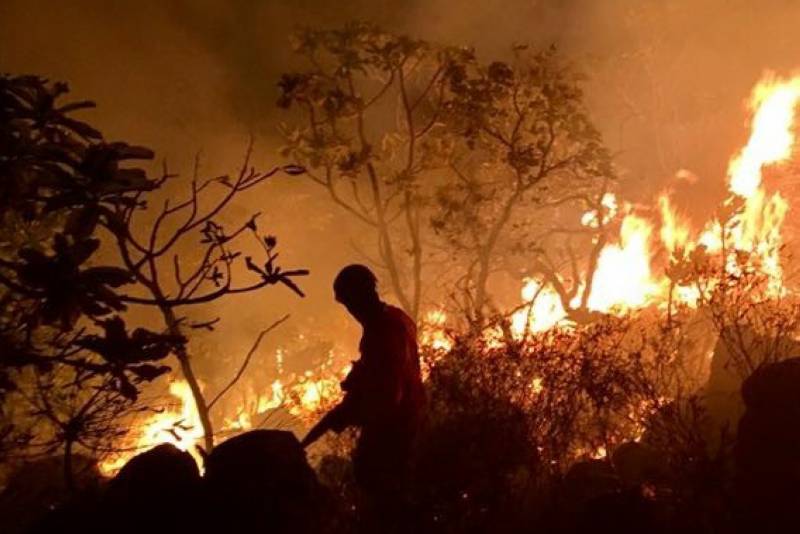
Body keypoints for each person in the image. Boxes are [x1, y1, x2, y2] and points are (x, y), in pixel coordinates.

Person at [301, 264, 425, 527]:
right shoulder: (395, 318)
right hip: (407, 416)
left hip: (394, 424)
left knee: (376, 480)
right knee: (388, 483)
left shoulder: (383, 330)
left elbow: (391, 390)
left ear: (360, 297)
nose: (350, 311)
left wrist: (361, 410)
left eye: (349, 303)